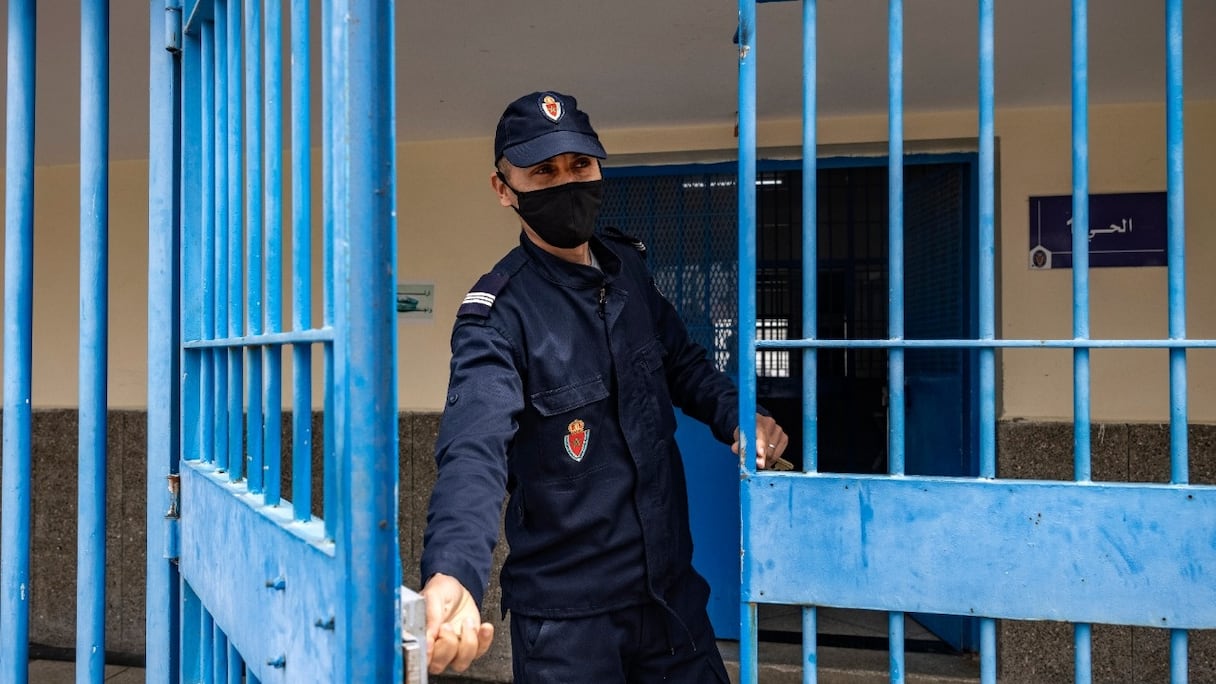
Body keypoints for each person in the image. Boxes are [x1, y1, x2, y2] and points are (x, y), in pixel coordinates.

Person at [419, 90, 789, 682]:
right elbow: (474, 451)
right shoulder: (498, 316)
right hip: (569, 626)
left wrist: (740, 415)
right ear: (502, 189)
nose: (567, 182)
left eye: (579, 165)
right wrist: (452, 573)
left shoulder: (627, 272)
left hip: (672, 602)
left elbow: (685, 365)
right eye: (543, 171)